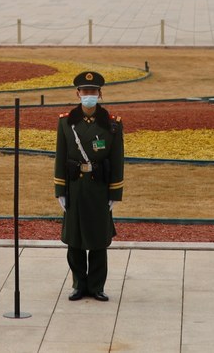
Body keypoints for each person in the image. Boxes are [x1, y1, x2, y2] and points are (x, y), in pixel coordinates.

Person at [54, 70, 124, 302]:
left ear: (100, 94)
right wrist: (60, 190)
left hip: (98, 188)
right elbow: (60, 157)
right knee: (74, 240)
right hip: (75, 187)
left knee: (97, 241)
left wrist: (115, 191)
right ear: (78, 93)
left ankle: (96, 286)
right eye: (85, 91)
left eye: (93, 92)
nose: (89, 95)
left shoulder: (112, 124)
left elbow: (116, 160)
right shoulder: (66, 122)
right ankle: (78, 284)